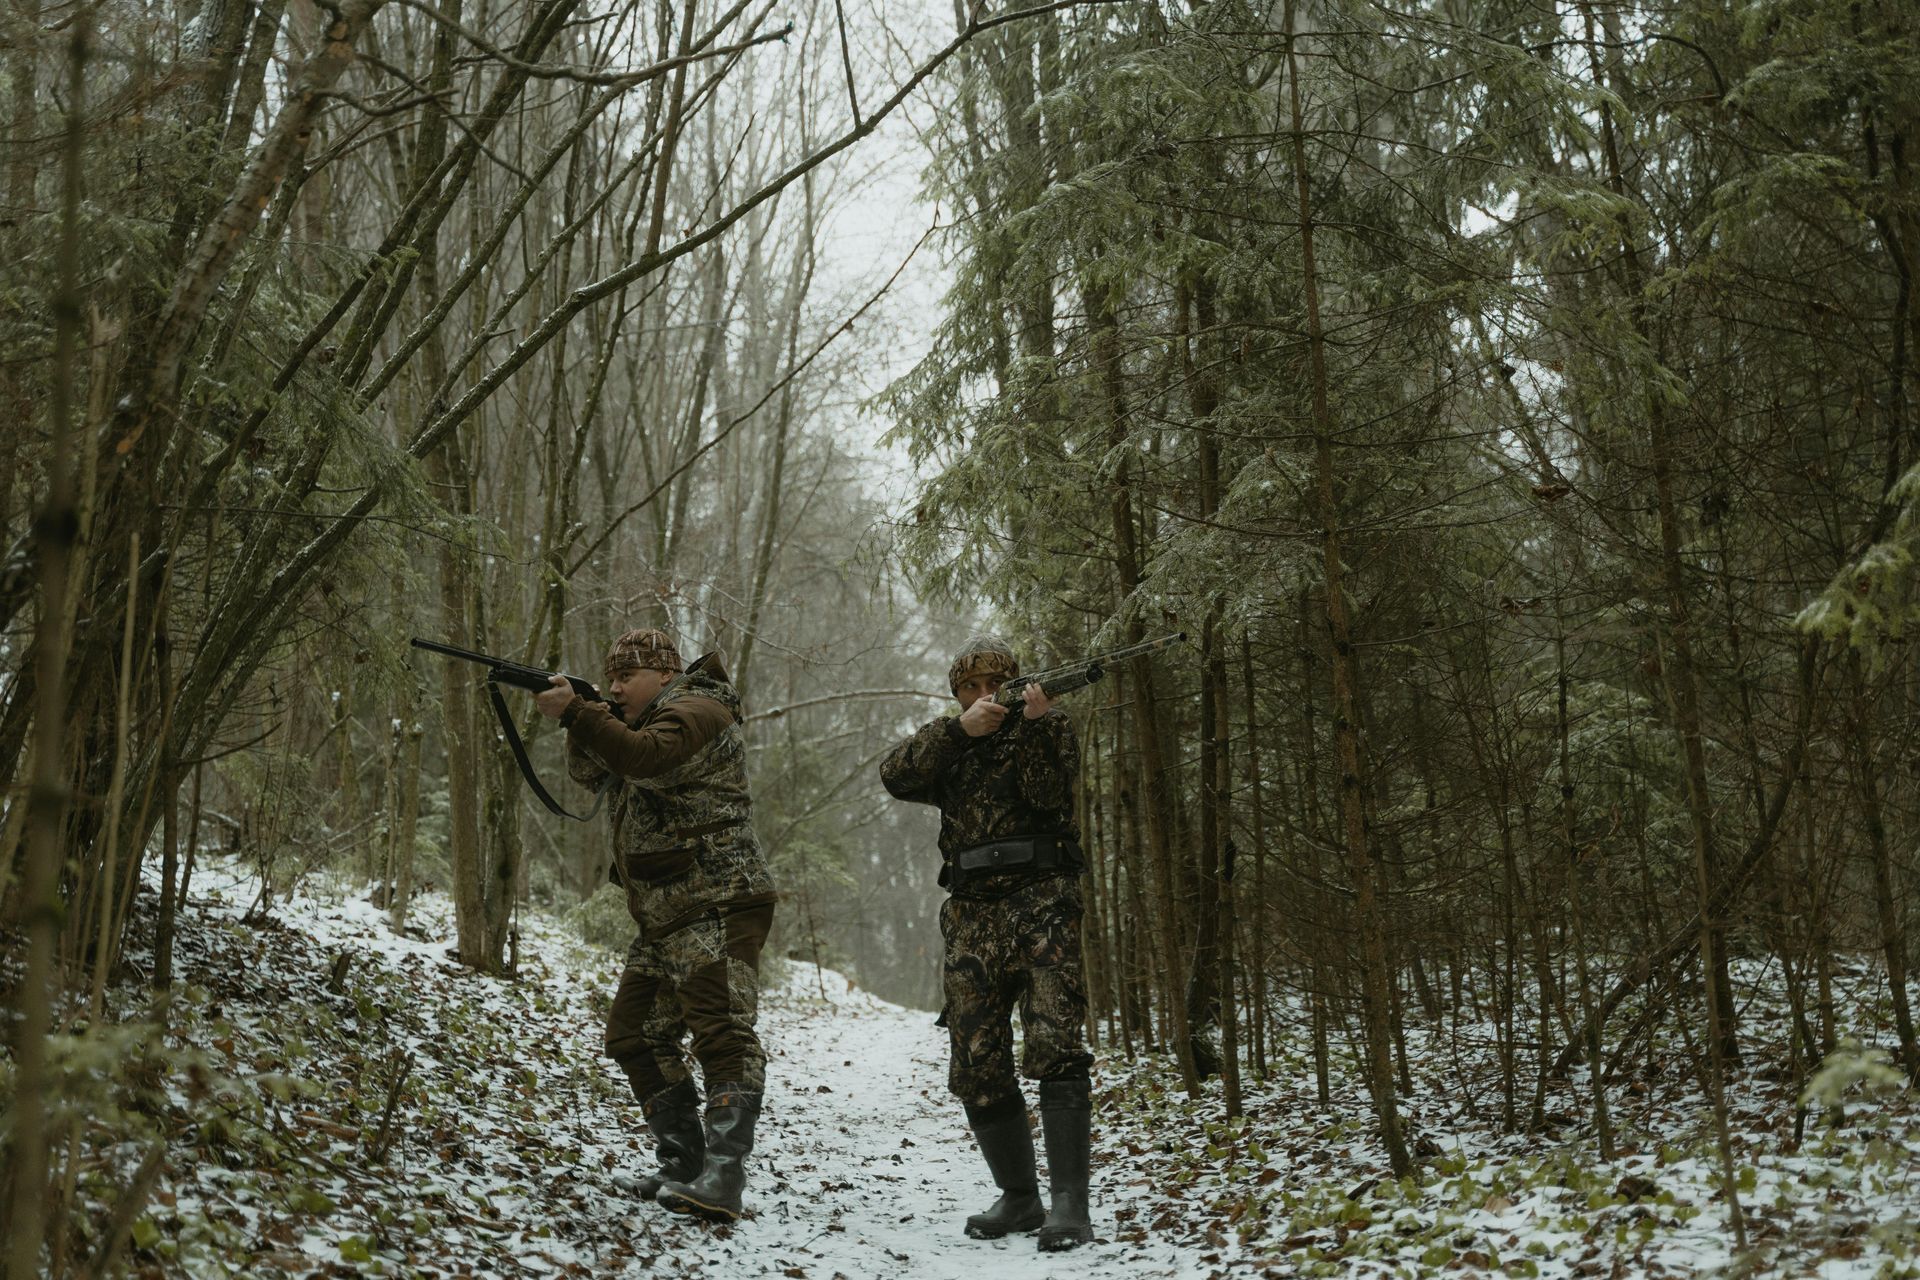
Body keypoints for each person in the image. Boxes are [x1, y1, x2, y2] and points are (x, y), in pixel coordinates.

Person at [535, 628, 776, 1223]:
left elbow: (643, 758)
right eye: (609, 677)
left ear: (665, 673)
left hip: (717, 901)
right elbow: (596, 772)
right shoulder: (638, 720)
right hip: (665, 913)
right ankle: (684, 1162)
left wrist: (582, 712)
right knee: (633, 1035)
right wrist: (583, 715)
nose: (615, 687)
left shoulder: (701, 710)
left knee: (722, 1033)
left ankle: (724, 1176)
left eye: (627, 677)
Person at [878, 634, 1095, 1252]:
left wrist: (1030, 722)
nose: (982, 695)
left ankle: (1069, 1205)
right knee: (977, 1055)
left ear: (1016, 682)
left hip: (1042, 900)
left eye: (993, 683)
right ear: (957, 695)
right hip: (972, 911)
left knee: (1056, 1040)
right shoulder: (950, 745)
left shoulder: (1048, 728)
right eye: (969, 687)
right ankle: (1020, 1197)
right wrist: (959, 732)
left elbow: (1049, 796)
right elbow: (895, 774)